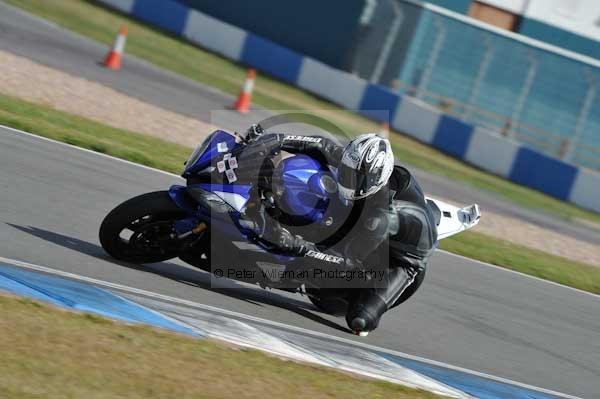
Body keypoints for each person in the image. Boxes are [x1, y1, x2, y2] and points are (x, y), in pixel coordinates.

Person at [235, 124, 438, 334]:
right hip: (367, 218)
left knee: (360, 320)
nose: (347, 179)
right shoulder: (360, 165)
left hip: (399, 261)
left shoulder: (382, 217)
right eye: (347, 172)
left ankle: (350, 298)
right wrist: (276, 140)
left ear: (374, 180)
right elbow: (321, 145)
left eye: (355, 178)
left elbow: (346, 260)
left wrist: (295, 245)